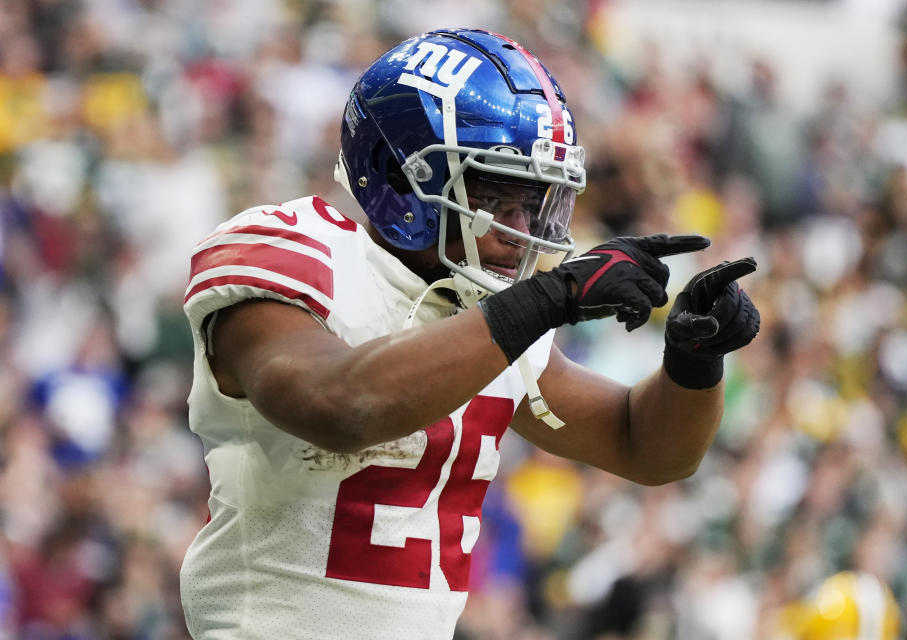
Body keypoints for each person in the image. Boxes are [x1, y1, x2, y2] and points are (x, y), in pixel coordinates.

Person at [178, 28, 760, 639]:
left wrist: (694, 362)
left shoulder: (490, 311)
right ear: (400, 177)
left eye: (533, 204)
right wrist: (547, 300)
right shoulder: (296, 255)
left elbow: (645, 447)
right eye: (493, 197)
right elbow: (338, 405)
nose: (518, 229)